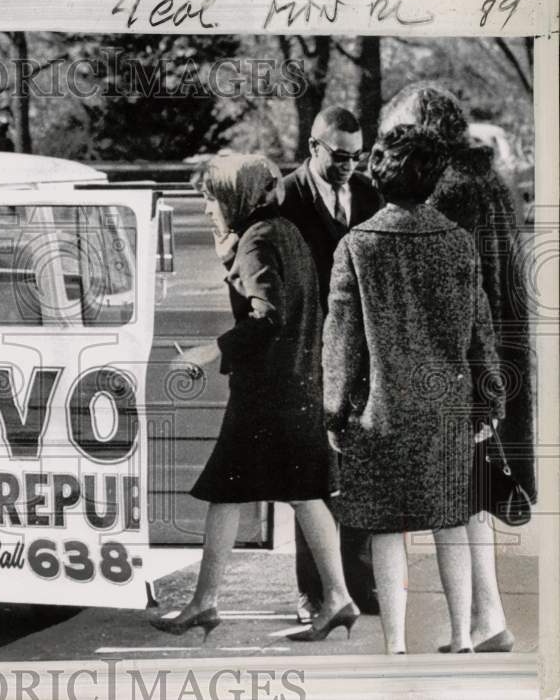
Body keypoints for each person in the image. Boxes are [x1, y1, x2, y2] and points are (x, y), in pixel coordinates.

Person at [151, 153, 358, 643]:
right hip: (296, 386)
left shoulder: (257, 241)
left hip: (267, 394)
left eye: (210, 198)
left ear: (233, 197)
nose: (205, 208)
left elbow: (269, 316)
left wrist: (208, 350)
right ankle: (337, 598)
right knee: (297, 493)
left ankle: (206, 603)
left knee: (233, 491)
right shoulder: (284, 231)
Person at [324, 125, 505, 655]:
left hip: (379, 412)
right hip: (448, 409)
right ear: (433, 177)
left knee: (387, 530)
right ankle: (458, 637)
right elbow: (480, 329)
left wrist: (334, 411)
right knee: (451, 520)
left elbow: (341, 340)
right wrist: (489, 399)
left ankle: (397, 645)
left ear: (378, 173)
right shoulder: (457, 242)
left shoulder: (357, 246)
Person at [379, 83, 535, 653]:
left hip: (463, 361)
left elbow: (445, 291)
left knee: (460, 495)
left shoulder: (448, 192)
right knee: (471, 492)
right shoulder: (486, 181)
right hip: (492, 356)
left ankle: (481, 624)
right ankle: (487, 619)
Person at [280, 106, 383, 622]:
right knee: (311, 474)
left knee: (359, 468)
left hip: (360, 351)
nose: (348, 165)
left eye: (356, 156)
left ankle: (359, 584)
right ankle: (313, 590)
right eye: (339, 156)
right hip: (304, 352)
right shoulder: (286, 197)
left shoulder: (368, 196)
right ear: (313, 147)